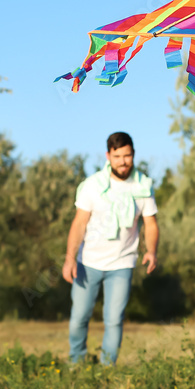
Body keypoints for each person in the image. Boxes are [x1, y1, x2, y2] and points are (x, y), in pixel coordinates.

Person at [62, 132, 158, 366]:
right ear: (108, 156)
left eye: (127, 156)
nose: (122, 161)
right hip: (88, 262)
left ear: (133, 155)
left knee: (114, 320)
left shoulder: (143, 186)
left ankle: (107, 368)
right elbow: (79, 224)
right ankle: (76, 363)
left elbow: (151, 224)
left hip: (122, 264)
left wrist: (151, 251)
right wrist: (69, 258)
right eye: (117, 156)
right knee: (78, 319)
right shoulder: (92, 186)